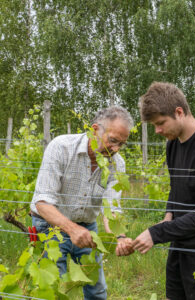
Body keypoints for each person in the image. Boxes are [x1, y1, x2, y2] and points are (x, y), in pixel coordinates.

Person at [133, 82, 195, 300]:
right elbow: (176, 188)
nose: (158, 130)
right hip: (181, 241)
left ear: (179, 112)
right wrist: (168, 215)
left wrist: (156, 233)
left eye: (160, 123)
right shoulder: (174, 144)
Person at [30, 106, 134, 300]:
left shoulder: (117, 164)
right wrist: (71, 229)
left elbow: (111, 207)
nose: (116, 149)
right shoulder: (61, 147)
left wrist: (118, 237)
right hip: (49, 227)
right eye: (113, 140)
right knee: (53, 290)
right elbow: (41, 202)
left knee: (97, 290)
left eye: (122, 143)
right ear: (95, 129)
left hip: (87, 228)